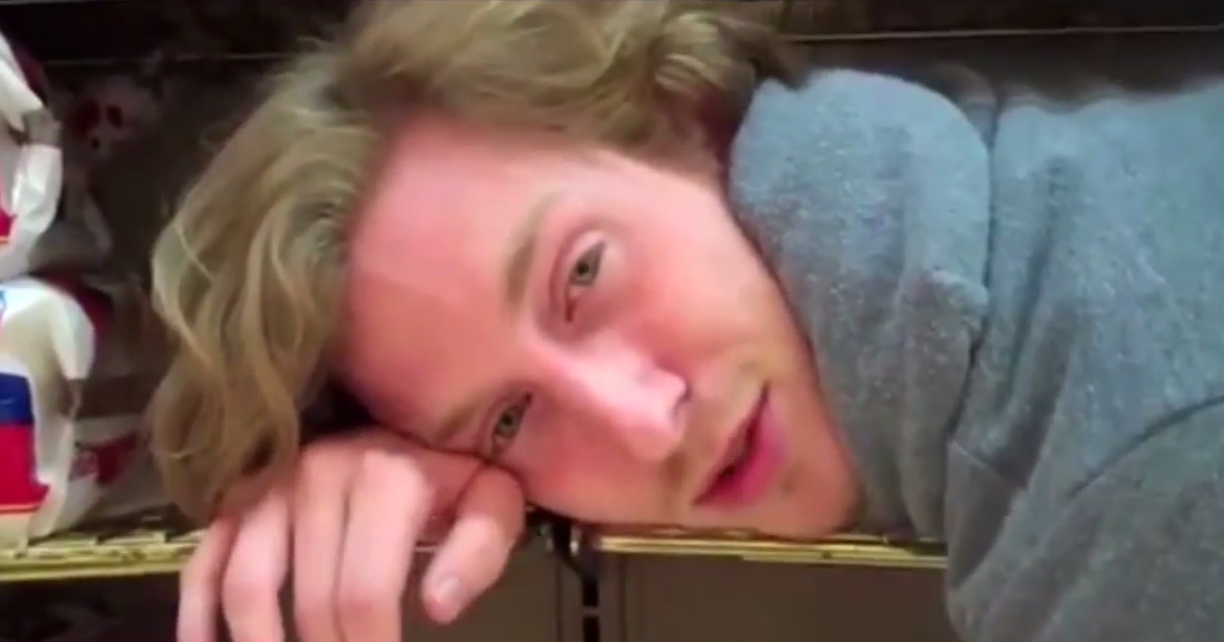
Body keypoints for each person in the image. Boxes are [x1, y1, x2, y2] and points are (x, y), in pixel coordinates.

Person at [147, 2, 1224, 642]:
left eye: (585, 273)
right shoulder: (1021, 206)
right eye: (511, 420)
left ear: (688, 118)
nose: (645, 422)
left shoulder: (1124, 483)